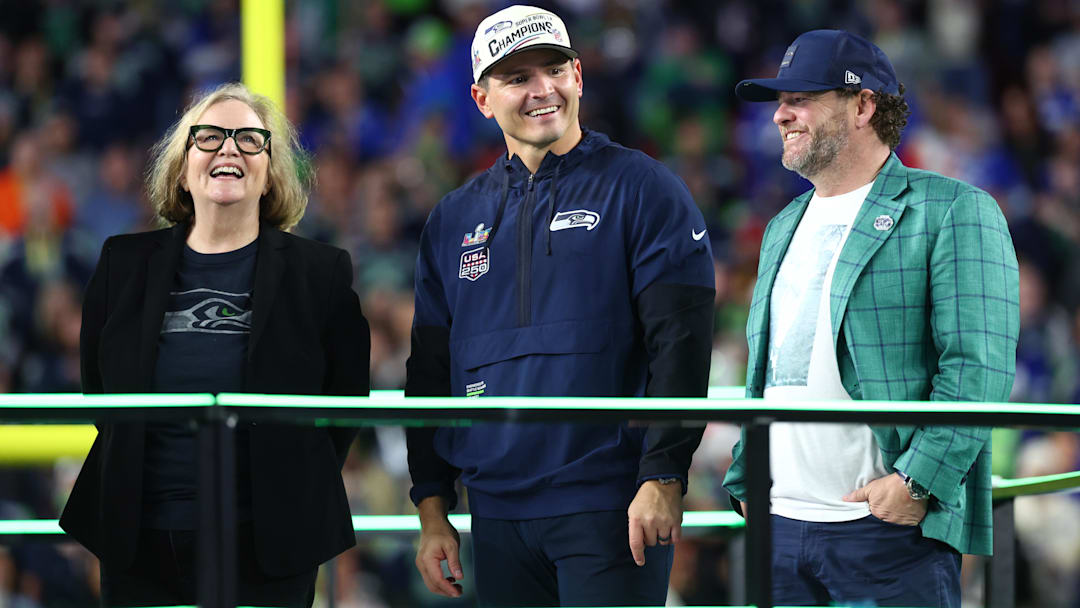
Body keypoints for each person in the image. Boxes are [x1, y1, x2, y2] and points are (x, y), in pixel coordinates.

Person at [405, 5, 715, 606]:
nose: (541, 89)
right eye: (517, 78)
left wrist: (663, 473)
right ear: (481, 98)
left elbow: (681, 344)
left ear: (578, 74)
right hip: (493, 513)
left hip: (612, 505)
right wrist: (432, 507)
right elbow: (429, 375)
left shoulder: (644, 188)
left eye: (553, 70)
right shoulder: (451, 219)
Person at [722, 30, 1019, 607]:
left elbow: (977, 367)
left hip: (885, 532)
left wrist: (917, 483)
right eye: (780, 102)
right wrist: (744, 475)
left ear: (864, 105)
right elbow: (769, 366)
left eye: (802, 97)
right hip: (777, 524)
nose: (781, 114)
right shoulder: (781, 224)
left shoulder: (954, 208)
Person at [59, 83, 370, 607]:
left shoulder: (322, 272)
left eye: (250, 140)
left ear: (270, 173)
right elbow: (100, 390)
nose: (229, 149)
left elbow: (344, 402)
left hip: (269, 545)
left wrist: (285, 480)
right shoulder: (121, 263)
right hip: (139, 543)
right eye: (210, 138)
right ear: (182, 169)